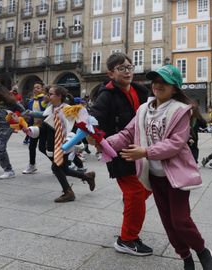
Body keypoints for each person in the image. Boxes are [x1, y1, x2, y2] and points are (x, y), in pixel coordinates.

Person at [104, 64, 212, 270]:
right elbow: (127, 134)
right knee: (168, 222)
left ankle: (202, 251)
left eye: (164, 82)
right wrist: (105, 143)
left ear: (175, 87)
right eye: (156, 80)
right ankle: (186, 258)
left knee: (181, 221)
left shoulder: (180, 110)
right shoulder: (143, 110)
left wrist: (145, 152)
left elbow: (176, 143)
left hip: (175, 175)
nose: (158, 85)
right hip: (154, 176)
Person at [89, 52, 153, 256]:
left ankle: (130, 210)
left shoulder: (140, 89)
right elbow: (93, 121)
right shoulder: (106, 95)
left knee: (148, 187)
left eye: (130, 67)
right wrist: (96, 140)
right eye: (122, 68)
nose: (127, 71)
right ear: (111, 73)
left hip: (142, 150)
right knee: (135, 194)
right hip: (119, 151)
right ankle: (127, 239)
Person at [26, 85, 96, 202]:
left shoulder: (68, 110)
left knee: (56, 168)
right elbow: (45, 129)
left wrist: (69, 142)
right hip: (53, 145)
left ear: (59, 96)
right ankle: (87, 176)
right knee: (64, 169)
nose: (48, 96)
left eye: (51, 94)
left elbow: (75, 128)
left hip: (63, 145)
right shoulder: (51, 110)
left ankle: (68, 192)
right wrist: (31, 130)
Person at [22, 82, 48, 174]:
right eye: (34, 88)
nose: (35, 89)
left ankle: (58, 163)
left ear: (42, 90)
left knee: (43, 147)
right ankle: (32, 165)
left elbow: (46, 113)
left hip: (44, 127)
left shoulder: (45, 100)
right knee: (32, 146)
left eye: (38, 88)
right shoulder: (31, 101)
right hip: (34, 127)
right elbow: (29, 114)